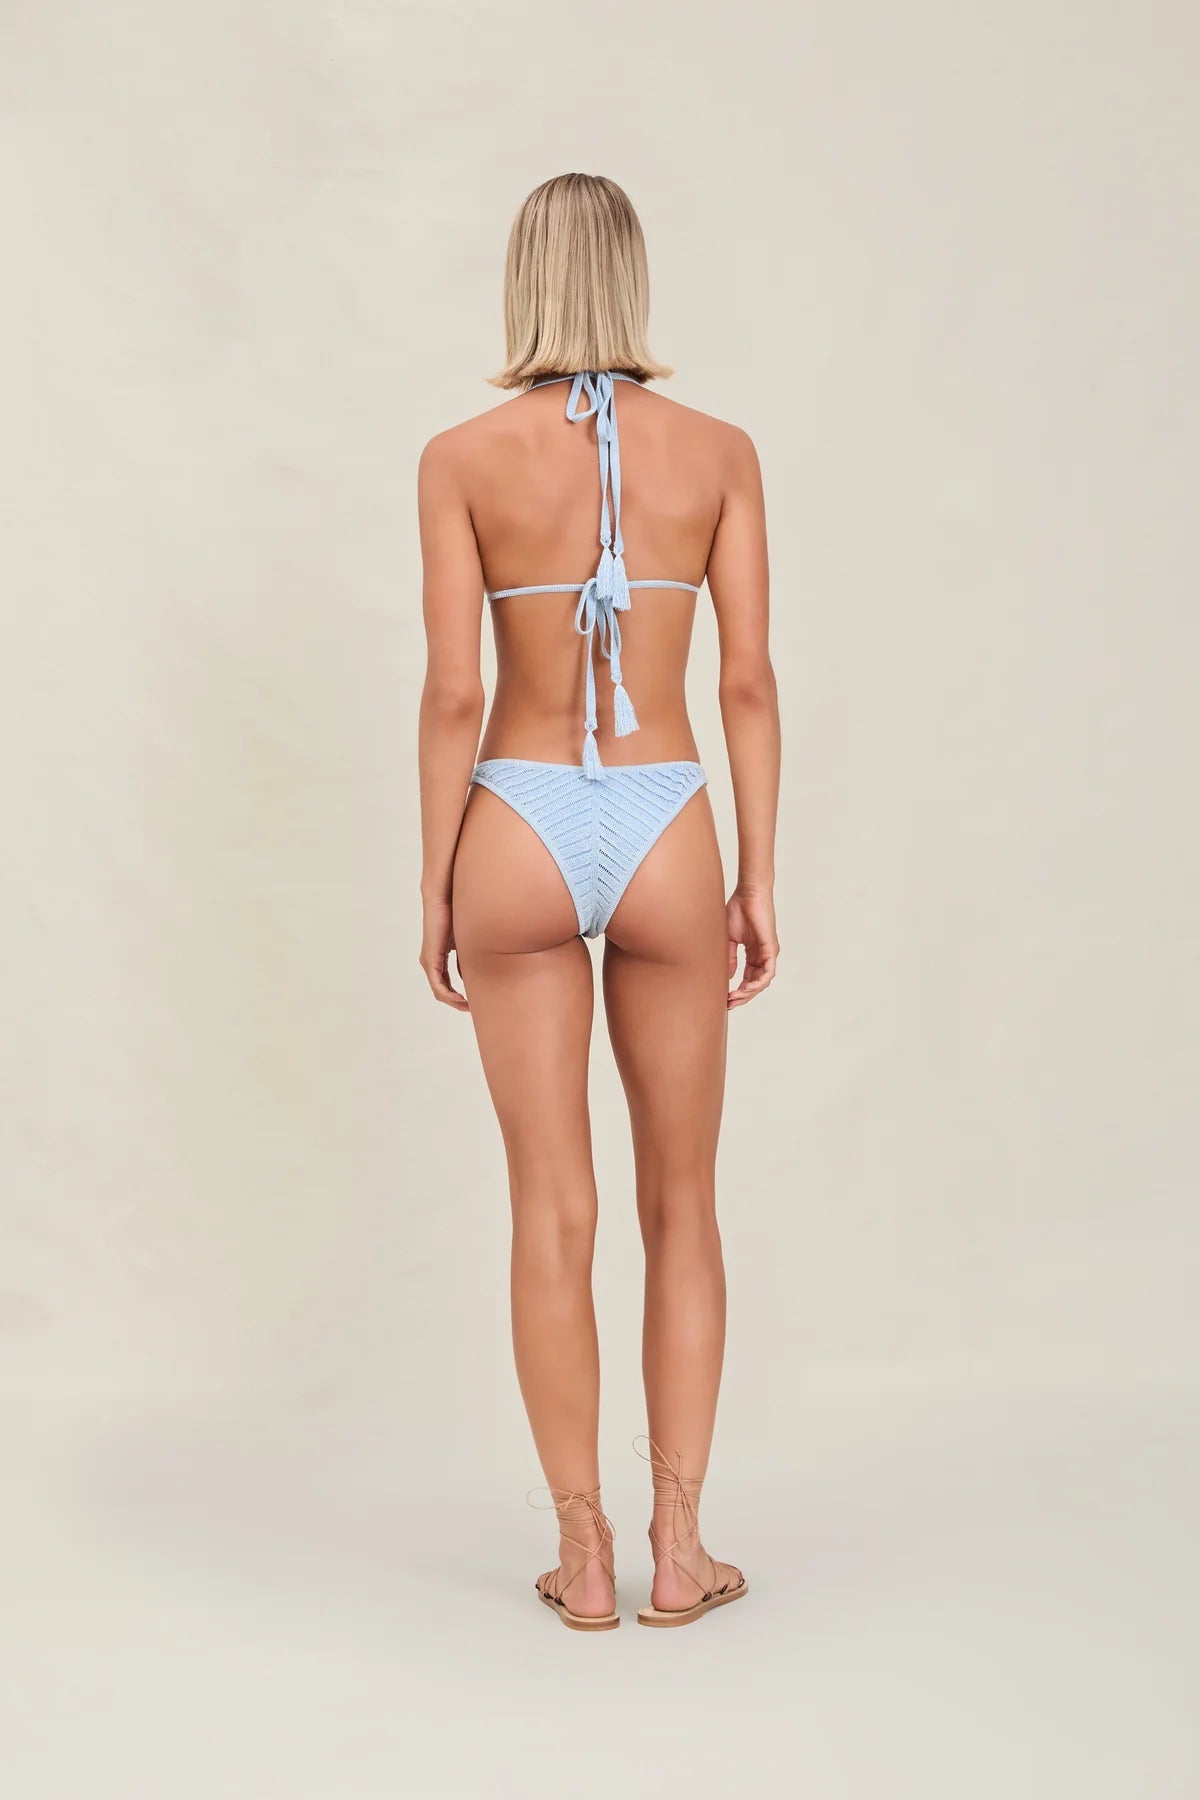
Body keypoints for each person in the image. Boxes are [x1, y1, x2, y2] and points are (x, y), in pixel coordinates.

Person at [417, 173, 780, 1630]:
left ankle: (581, 1558)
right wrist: (759, 873)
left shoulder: (460, 459)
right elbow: (745, 683)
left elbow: (455, 692)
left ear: (523, 281)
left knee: (549, 1207)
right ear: (631, 279)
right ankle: (680, 1550)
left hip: (513, 816)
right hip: (666, 816)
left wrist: (433, 879)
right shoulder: (721, 453)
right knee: (681, 1202)